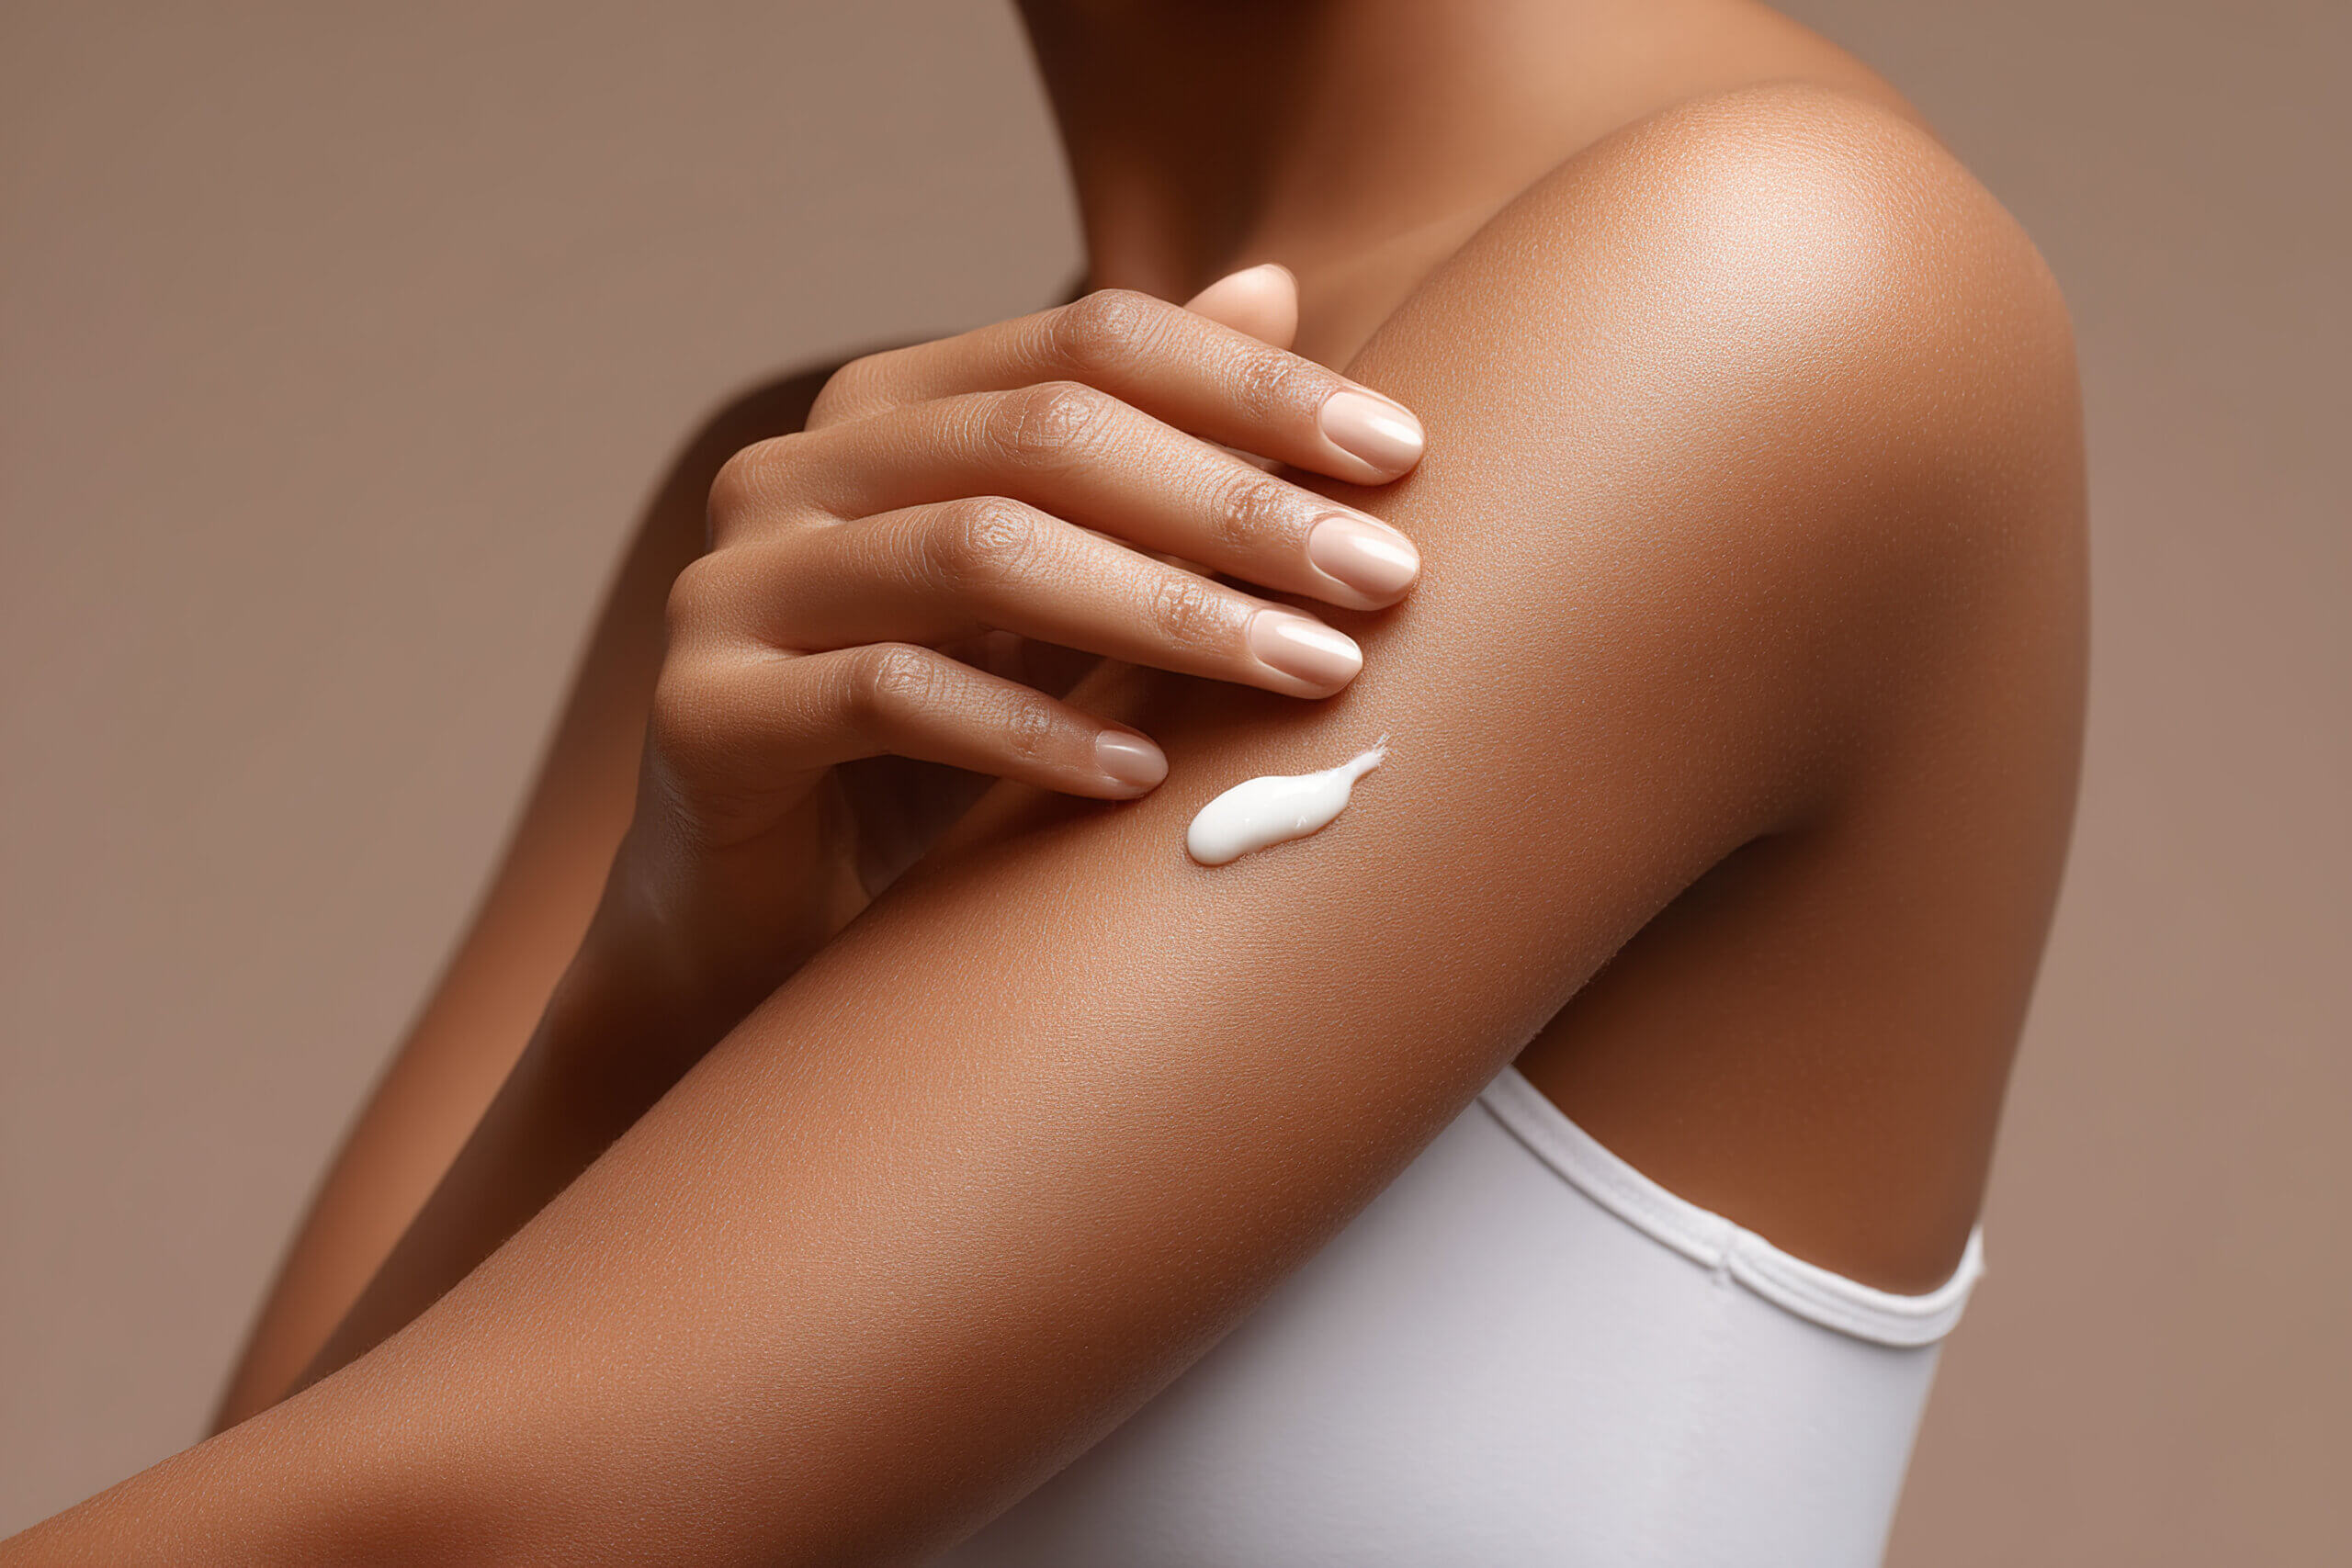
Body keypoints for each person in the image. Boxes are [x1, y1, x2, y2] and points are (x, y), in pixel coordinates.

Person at [1, 1, 2085, 1562]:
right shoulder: (831, 530)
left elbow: (464, 1532)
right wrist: (650, 990)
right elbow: (291, 1485)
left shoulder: (1770, 288)